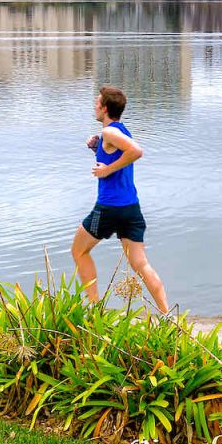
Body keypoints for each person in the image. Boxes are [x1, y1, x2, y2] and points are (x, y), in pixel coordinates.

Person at [70, 85, 171, 313]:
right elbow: (119, 154)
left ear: (105, 108)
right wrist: (97, 149)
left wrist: (106, 170)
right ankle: (167, 314)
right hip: (130, 210)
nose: (94, 107)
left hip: (107, 210)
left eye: (97, 103)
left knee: (78, 251)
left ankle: (96, 309)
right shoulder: (120, 131)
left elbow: (136, 152)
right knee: (140, 264)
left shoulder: (110, 133)